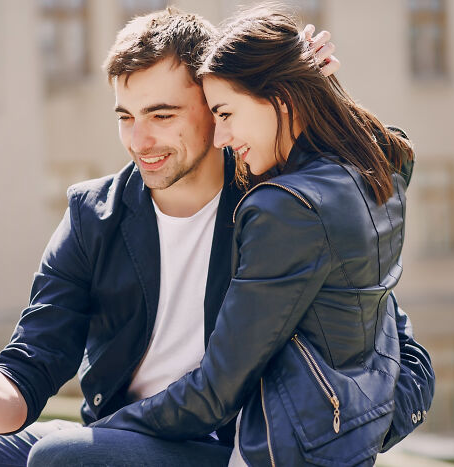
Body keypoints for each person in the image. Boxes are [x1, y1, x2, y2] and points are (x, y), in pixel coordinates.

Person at [0, 8, 432, 467]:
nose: (138, 140)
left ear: (215, 106)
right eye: (125, 116)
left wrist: (309, 89)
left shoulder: (277, 205)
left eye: (162, 114)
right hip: (117, 437)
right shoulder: (93, 216)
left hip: (224, 446)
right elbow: (24, 377)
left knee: (66, 456)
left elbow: (374, 307)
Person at [85, 5, 430, 466]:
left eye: (226, 113)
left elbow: (214, 392)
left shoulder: (287, 209)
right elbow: (390, 333)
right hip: (333, 445)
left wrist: (99, 434)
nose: (221, 137)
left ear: (283, 100)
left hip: (270, 453)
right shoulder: (377, 171)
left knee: (59, 456)